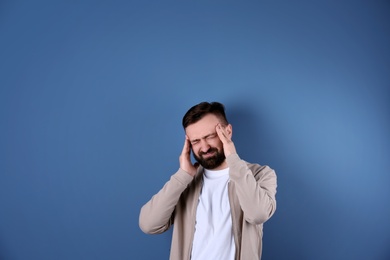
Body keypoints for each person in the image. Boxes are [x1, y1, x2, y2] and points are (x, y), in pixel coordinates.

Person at [139, 101, 277, 260]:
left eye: (210, 137)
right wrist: (182, 175)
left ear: (228, 131)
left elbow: (257, 214)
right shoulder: (185, 182)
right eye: (195, 141)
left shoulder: (261, 174)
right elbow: (149, 225)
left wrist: (233, 158)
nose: (204, 148)